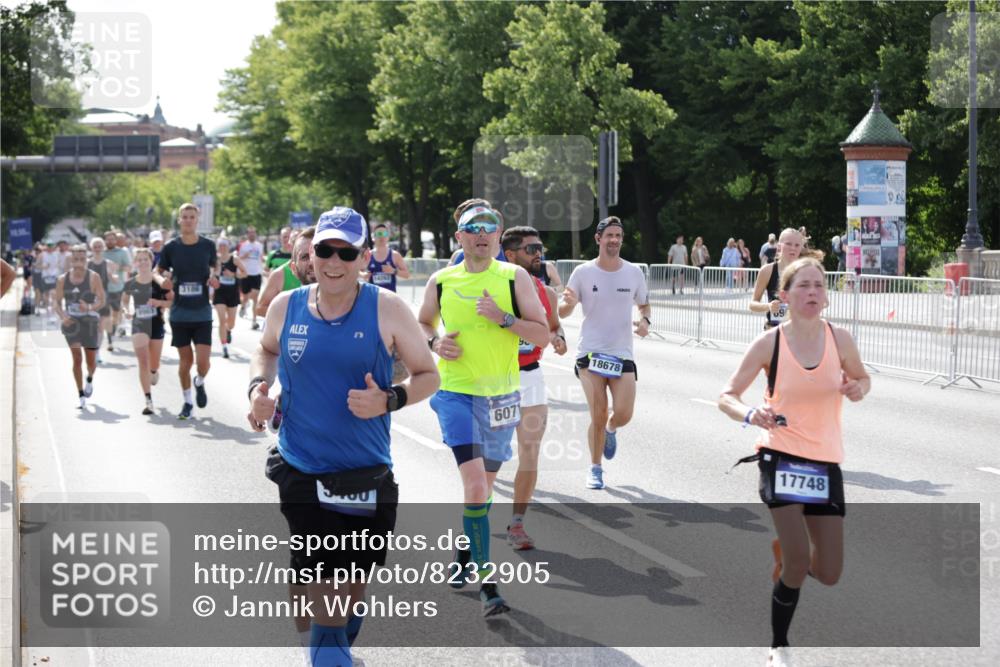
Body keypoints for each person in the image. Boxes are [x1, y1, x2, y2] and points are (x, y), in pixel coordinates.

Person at [247, 207, 439, 667]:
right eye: (324, 250)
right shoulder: (285, 306)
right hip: (301, 466)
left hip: (365, 474)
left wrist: (389, 400)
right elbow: (266, 349)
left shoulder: (387, 309)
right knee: (324, 588)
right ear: (310, 254)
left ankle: (330, 641)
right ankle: (322, 651)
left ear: (363, 257)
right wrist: (258, 387)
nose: (334, 261)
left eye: (346, 252)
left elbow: (428, 375)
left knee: (350, 582)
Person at [718, 256, 870, 667]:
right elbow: (726, 396)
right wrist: (751, 414)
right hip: (780, 456)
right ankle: (779, 644)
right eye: (803, 286)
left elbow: (863, 379)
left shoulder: (840, 339)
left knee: (830, 572)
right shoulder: (770, 343)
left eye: (819, 285)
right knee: (801, 563)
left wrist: (856, 388)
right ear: (784, 295)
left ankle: (785, 555)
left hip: (824, 462)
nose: (813, 293)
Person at [418, 204, 548, 616]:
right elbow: (422, 324)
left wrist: (503, 319)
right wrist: (434, 342)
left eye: (488, 227)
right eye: (471, 228)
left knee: (483, 489)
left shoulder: (515, 277)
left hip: (503, 398)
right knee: (475, 484)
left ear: (499, 234)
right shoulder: (441, 280)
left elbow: (542, 332)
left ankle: (463, 554)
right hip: (455, 393)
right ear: (459, 237)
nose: (481, 234)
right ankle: (489, 587)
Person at [559, 217, 650, 490]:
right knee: (597, 413)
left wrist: (645, 322)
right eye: (609, 235)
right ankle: (595, 468)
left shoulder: (634, 272)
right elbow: (563, 310)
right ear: (598, 239)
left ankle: (612, 429)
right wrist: (568, 303)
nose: (614, 240)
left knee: (623, 413)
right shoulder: (583, 273)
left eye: (618, 235)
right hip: (591, 353)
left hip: (622, 354)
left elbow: (644, 305)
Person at [500, 226, 567, 550]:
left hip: (530, 377)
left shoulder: (547, 293)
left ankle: (517, 524)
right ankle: (471, 527)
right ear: (510, 255)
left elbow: (554, 325)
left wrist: (560, 337)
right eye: (530, 249)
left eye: (540, 247)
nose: (538, 253)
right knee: (486, 462)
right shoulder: (493, 288)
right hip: (493, 381)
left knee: (530, 454)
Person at [157, 203, 219, 419]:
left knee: (203, 362)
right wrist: (162, 279)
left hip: (202, 312)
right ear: (179, 220)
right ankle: (187, 402)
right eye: (184, 217)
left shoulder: (208, 245)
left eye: (192, 216)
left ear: (197, 219)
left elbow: (215, 266)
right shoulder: (171, 247)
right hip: (180, 313)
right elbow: (159, 271)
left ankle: (199, 381)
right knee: (186, 362)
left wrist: (214, 277)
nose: (188, 220)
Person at [53, 245, 105, 409]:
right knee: (77, 358)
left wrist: (89, 308)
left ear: (86, 259)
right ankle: (81, 395)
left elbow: (101, 300)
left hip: (89, 322)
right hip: (72, 323)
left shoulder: (93, 277)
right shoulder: (62, 279)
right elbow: (56, 302)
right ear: (71, 259)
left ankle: (89, 378)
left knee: (91, 362)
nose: (79, 262)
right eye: (76, 259)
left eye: (82, 259)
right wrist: (63, 316)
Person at [122, 248, 173, 415]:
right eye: (140, 259)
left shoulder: (158, 281)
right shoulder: (130, 282)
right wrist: (126, 311)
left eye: (146, 259)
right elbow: (124, 302)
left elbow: (172, 302)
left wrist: (159, 303)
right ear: (135, 262)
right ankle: (148, 400)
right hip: (139, 324)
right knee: (143, 361)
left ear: (151, 262)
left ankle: (153, 371)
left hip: (156, 323)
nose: (143, 262)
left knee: (153, 364)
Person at [751, 228, 809, 330]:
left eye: (797, 245)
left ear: (801, 248)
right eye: (788, 244)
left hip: (799, 332)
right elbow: (752, 304)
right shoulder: (767, 271)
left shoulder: (807, 271)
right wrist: (769, 306)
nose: (793, 248)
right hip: (774, 331)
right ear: (779, 246)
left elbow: (822, 302)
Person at [256, 227, 316, 318]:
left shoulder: (326, 271)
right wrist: (295, 317)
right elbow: (260, 308)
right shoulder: (279, 274)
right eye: (297, 241)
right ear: (291, 246)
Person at [212, 238, 246, 360]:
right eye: (220, 245)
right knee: (221, 320)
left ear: (228, 246)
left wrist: (234, 275)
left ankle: (228, 330)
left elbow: (245, 273)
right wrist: (216, 273)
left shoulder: (234, 259)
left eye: (224, 245)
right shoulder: (215, 260)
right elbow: (211, 275)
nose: (222, 247)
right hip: (220, 293)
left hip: (232, 294)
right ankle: (224, 347)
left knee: (231, 323)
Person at [86, 237, 116, 357]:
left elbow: (114, 280)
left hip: (104, 297)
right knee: (93, 326)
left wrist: (112, 276)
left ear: (103, 248)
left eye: (99, 246)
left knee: (101, 325)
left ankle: (97, 351)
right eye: (95, 246)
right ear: (91, 248)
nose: (97, 249)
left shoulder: (108, 263)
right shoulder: (87, 263)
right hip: (90, 297)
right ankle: (94, 348)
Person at [103, 230, 131, 339]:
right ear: (105, 240)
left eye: (112, 239)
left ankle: (114, 329)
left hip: (117, 287)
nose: (110, 241)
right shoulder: (101, 252)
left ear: (116, 240)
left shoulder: (122, 252)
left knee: (115, 312)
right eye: (108, 239)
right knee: (106, 313)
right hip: (103, 287)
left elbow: (129, 267)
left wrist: (117, 267)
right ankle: (109, 332)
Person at [366, 223, 411, 292]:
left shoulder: (395, 255)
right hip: (373, 298)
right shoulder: (368, 255)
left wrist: (393, 271)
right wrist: (363, 275)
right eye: (379, 234)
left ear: (388, 237)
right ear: (373, 238)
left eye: (385, 234)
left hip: (390, 299)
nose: (382, 237)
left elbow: (407, 275)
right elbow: (356, 270)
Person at [238, 226, 265, 329]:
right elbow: (238, 259)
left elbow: (261, 258)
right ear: (247, 234)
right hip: (246, 274)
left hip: (256, 273)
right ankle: (243, 305)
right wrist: (245, 255)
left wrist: (263, 262)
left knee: (255, 297)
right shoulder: (243, 246)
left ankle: (254, 321)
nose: (252, 234)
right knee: (245, 297)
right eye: (250, 233)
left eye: (253, 233)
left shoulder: (259, 245)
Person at [38, 241, 62, 319]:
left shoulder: (57, 254)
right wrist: (43, 266)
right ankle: (48, 311)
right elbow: (37, 265)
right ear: (46, 246)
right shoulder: (42, 255)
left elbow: (60, 263)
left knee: (54, 294)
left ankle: (53, 312)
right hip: (45, 277)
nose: (50, 248)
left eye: (51, 246)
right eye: (48, 246)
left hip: (54, 276)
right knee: (46, 296)